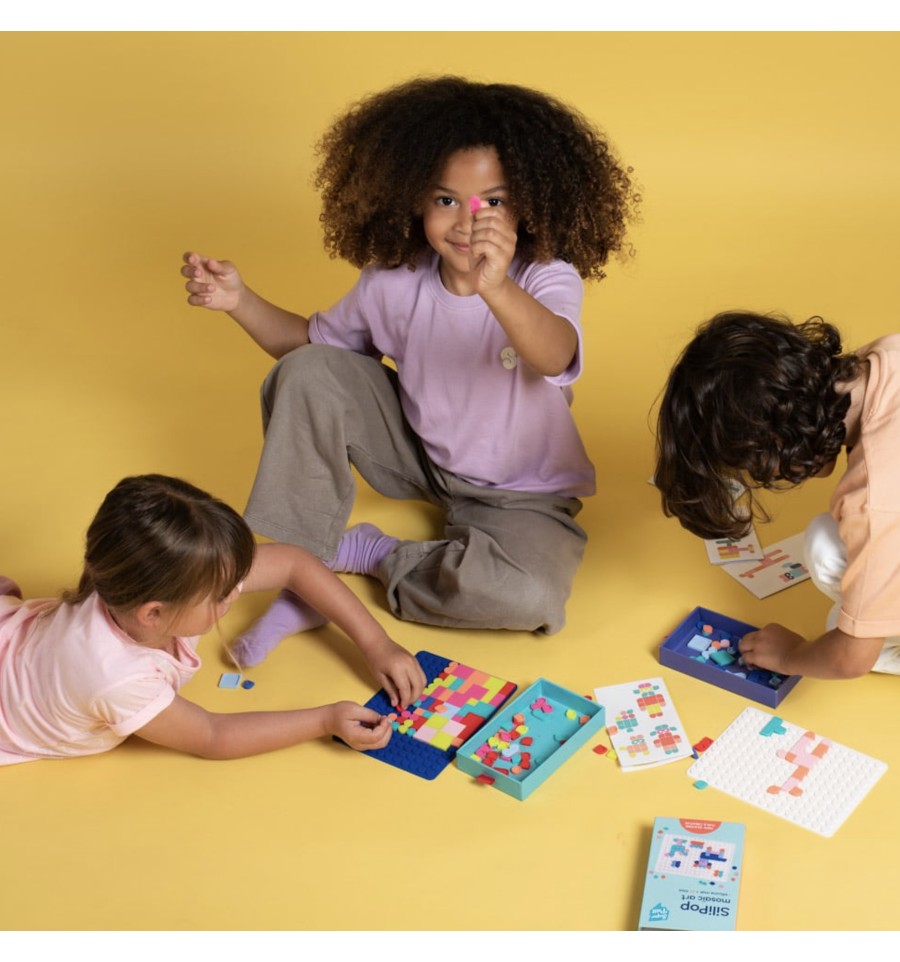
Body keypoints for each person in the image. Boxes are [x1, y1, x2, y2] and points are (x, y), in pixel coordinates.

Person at [181, 75, 638, 667]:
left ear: (529, 203)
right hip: (421, 456)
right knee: (309, 371)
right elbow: (309, 347)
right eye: (446, 200)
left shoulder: (544, 275)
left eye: (493, 202)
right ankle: (302, 564)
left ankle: (369, 553)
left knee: (530, 596)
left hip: (523, 491)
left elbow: (553, 354)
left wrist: (494, 287)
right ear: (414, 200)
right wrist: (239, 301)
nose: (467, 221)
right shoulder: (392, 282)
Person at [0, 474, 426, 766]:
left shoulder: (139, 575)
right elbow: (211, 734)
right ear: (154, 613)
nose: (235, 594)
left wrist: (376, 643)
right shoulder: (114, 678)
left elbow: (294, 563)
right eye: (222, 596)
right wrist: (325, 719)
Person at [654, 310, 900, 680]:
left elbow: (850, 660)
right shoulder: (884, 356)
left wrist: (791, 656)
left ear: (777, 441)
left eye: (755, 467)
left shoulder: (875, 500)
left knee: (826, 554)